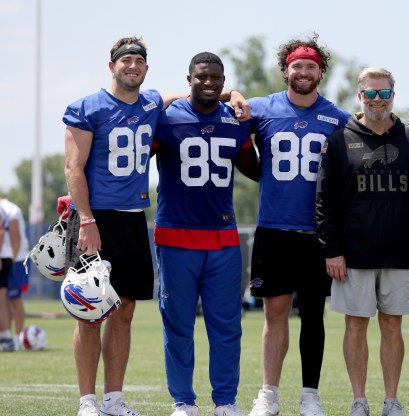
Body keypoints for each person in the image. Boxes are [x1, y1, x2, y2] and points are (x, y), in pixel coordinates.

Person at [62, 37, 248, 416]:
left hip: (134, 219)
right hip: (97, 218)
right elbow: (72, 167)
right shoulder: (86, 107)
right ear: (111, 65)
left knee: (125, 310)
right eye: (125, 60)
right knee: (89, 310)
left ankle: (113, 398)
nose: (132, 66)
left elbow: (199, 89)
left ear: (146, 69)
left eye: (139, 62)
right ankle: (87, 400)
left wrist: (235, 93)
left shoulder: (151, 104)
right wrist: (85, 218)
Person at [246, 34, 350, 416]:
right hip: (274, 228)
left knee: (313, 315)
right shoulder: (262, 108)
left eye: (310, 66)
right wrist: (237, 94)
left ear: (320, 72)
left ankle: (310, 394)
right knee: (274, 314)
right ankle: (269, 392)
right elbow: (227, 101)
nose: (303, 72)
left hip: (316, 233)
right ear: (285, 69)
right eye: (296, 65)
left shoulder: (337, 118)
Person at [315, 67, 409, 416]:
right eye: (371, 93)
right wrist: (332, 249)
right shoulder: (338, 139)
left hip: (398, 252)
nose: (378, 99)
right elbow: (324, 201)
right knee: (355, 325)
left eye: (384, 93)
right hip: (353, 254)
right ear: (359, 96)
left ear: (394, 94)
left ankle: (391, 401)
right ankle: (359, 401)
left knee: (392, 325)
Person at [153, 52, 255, 416]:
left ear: (224, 80)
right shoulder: (164, 119)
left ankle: (225, 401)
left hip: (223, 237)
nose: (208, 82)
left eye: (216, 77)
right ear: (189, 78)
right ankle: (183, 401)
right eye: (201, 76)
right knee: (178, 326)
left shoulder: (236, 121)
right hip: (177, 237)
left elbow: (255, 168)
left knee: (227, 327)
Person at [1, 197, 30, 340]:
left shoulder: (10, 209)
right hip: (10, 259)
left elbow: (15, 238)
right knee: (5, 300)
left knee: (15, 299)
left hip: (16, 260)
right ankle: (7, 335)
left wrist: (10, 262)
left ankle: (18, 337)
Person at [0, 207, 12, 351]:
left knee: (1, 300)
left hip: (2, 256)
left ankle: (7, 337)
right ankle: (6, 336)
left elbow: (1, 231)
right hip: (5, 256)